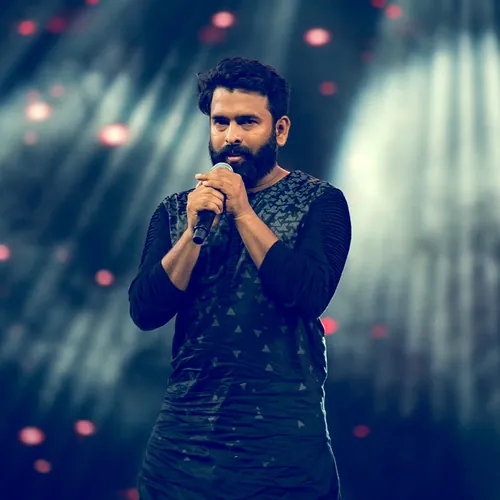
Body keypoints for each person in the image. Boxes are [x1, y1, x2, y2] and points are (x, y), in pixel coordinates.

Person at [128, 56, 351, 500]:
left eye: (247, 122)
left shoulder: (320, 202)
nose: (231, 136)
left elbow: (310, 295)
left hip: (281, 449)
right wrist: (192, 233)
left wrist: (243, 212)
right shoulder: (177, 210)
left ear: (280, 130)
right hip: (182, 449)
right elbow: (145, 312)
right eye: (220, 122)